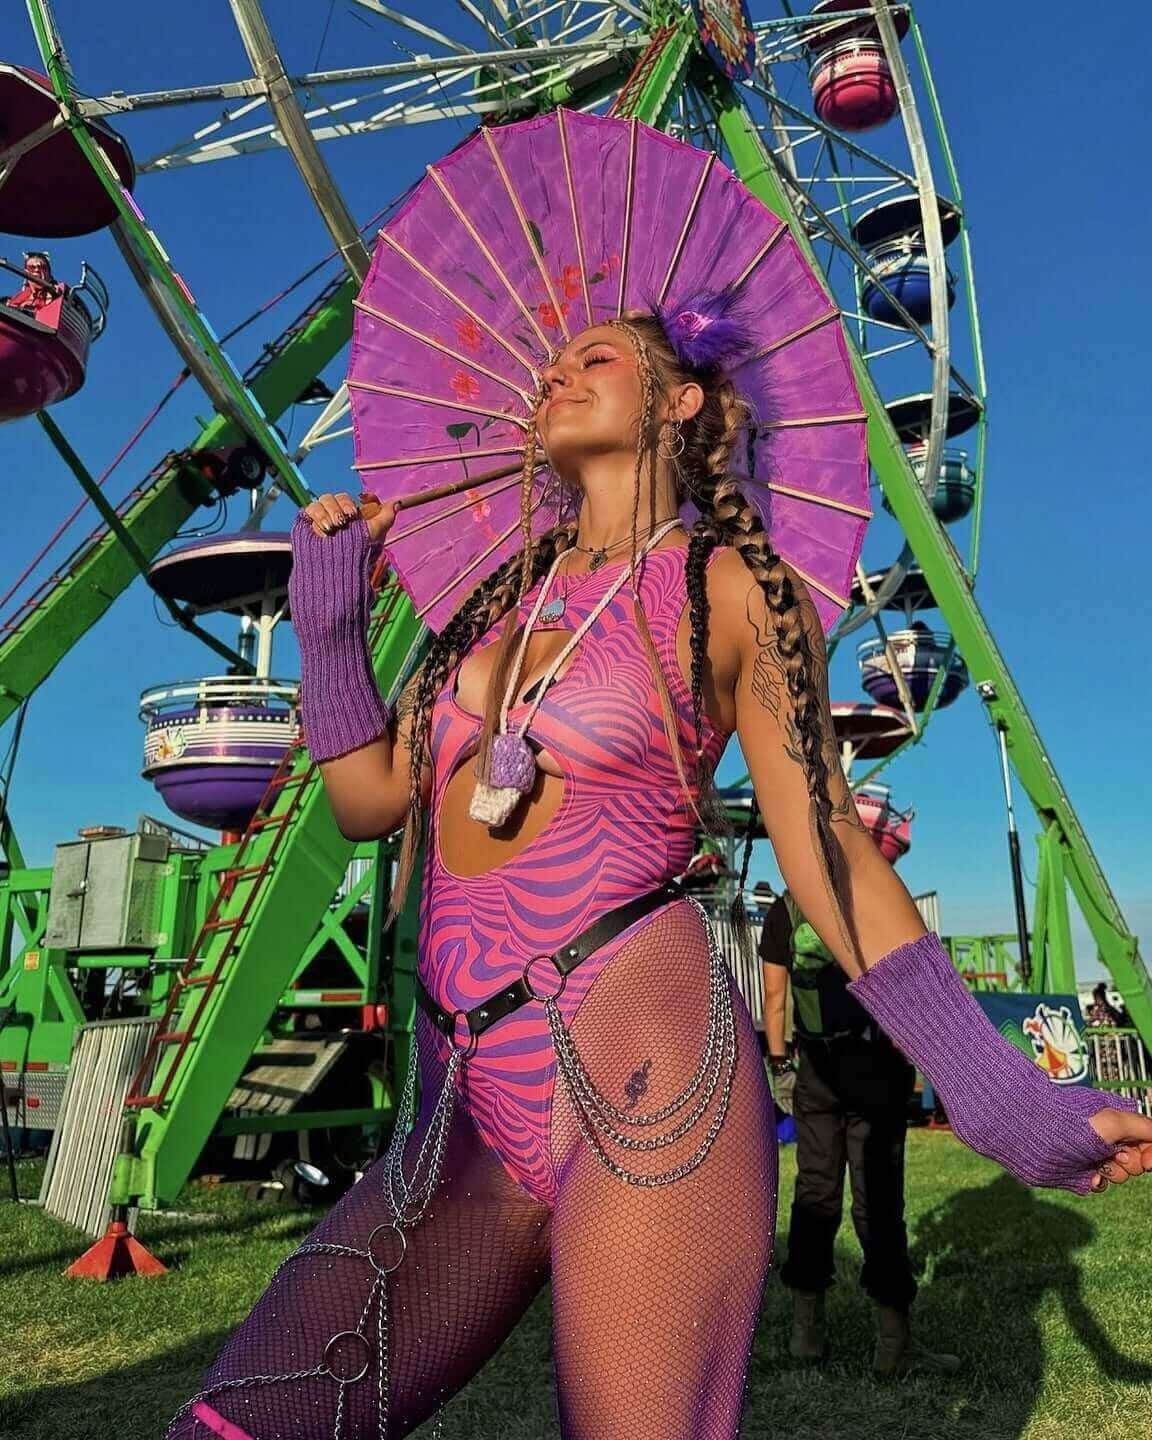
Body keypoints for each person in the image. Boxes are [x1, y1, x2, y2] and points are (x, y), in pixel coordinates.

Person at [168, 303, 1152, 1440]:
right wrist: (331, 623)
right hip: (458, 1115)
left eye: (597, 359)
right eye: (552, 366)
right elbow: (364, 804)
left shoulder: (733, 586)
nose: (559, 375)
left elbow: (827, 845)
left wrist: (999, 1096)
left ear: (679, 403)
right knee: (238, 1422)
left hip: (649, 1071)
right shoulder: (493, 602)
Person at [762, 884, 959, 1376]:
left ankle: (806, 1334)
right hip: (874, 1066)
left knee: (815, 1192)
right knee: (879, 1201)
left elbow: (774, 995)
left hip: (816, 1068)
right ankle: (894, 1344)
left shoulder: (788, 907)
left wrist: (781, 1063)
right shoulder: (868, 894)